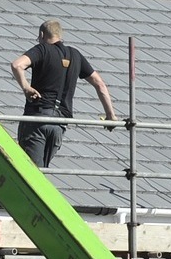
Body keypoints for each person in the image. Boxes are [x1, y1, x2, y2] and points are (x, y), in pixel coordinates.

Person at [9, 19, 116, 166]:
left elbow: (17, 65)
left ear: (42, 34)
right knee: (42, 171)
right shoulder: (75, 55)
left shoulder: (42, 49)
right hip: (59, 124)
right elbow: (100, 84)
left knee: (31, 173)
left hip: (37, 119)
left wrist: (26, 87)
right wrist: (111, 116)